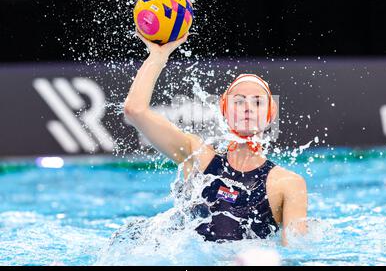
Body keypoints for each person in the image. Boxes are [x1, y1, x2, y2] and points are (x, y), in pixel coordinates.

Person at [124, 31, 307, 246]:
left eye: (257, 102)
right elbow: (134, 110)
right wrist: (158, 56)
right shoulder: (197, 156)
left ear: (270, 113)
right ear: (224, 109)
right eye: (238, 102)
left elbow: (296, 255)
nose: (248, 108)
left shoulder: (288, 184)